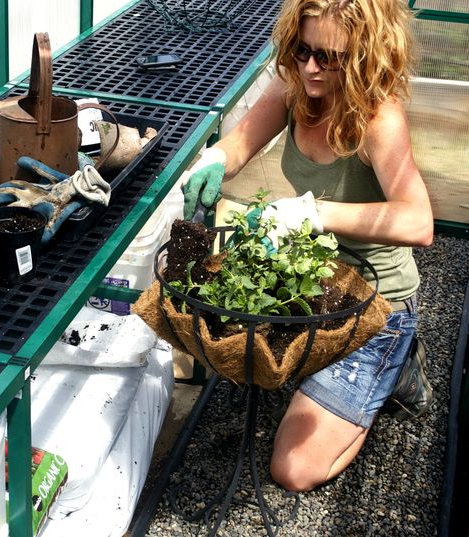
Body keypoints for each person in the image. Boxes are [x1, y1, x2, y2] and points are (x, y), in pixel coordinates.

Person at [182, 0, 434, 492]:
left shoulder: (378, 118)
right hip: (308, 278)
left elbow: (419, 221)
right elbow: (238, 146)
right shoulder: (296, 86)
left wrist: (313, 213)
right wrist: (213, 160)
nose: (311, 66)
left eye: (330, 56)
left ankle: (396, 370)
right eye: (301, 50)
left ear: (364, 53)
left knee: (293, 470)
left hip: (372, 304)